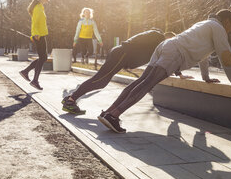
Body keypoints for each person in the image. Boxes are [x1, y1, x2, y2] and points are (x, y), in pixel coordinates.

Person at [98, 9, 231, 133]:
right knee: (147, 84)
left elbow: (203, 57)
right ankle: (114, 115)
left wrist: (206, 77)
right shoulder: (218, 28)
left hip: (167, 45)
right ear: (227, 21)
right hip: (175, 53)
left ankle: (108, 113)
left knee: (141, 81)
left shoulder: (206, 24)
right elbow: (226, 56)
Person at [62, 29, 191, 115]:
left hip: (122, 55)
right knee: (99, 80)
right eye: (171, 40)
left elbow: (167, 60)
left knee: (101, 82)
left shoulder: (161, 45)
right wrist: (127, 52)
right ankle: (71, 100)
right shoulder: (157, 35)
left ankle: (71, 99)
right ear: (168, 36)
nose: (171, 44)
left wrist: (179, 74)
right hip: (122, 54)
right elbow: (136, 40)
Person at [19, 0, 50, 90]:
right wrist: (35, 33)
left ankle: (26, 72)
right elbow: (34, 22)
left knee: (43, 57)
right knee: (43, 57)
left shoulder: (41, 7)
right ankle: (34, 80)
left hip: (41, 34)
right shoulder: (37, 8)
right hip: (39, 35)